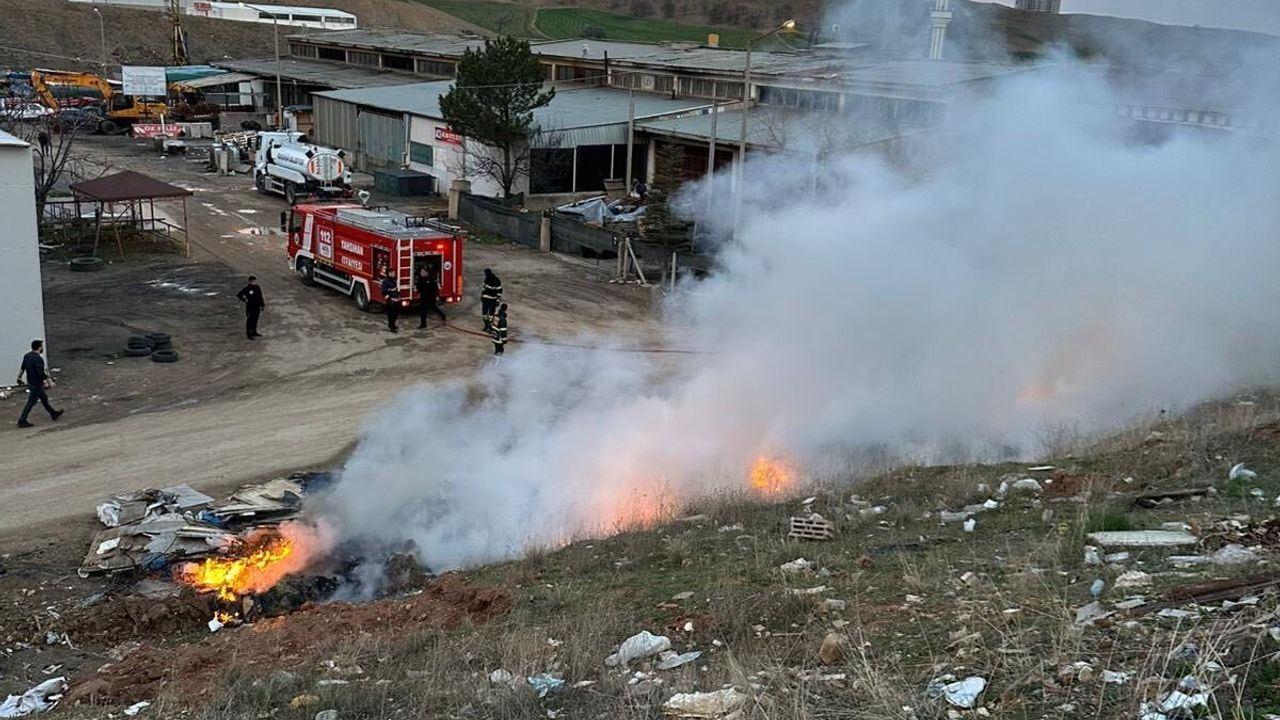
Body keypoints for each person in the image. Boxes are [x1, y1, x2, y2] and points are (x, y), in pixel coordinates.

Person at [16, 340, 62, 428]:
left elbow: (23, 368)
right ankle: (22, 420)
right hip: (36, 384)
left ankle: (53, 413)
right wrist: (49, 381)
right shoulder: (38, 359)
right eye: (42, 346)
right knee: (31, 402)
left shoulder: (27, 356)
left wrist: (19, 377)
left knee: (44, 398)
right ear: (39, 347)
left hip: (31, 382)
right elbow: (40, 373)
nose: (42, 348)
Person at [235, 275, 265, 340]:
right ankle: (249, 334)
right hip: (250, 307)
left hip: (257, 306)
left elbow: (260, 296)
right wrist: (245, 300)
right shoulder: (247, 288)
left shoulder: (257, 287)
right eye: (253, 281)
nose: (254, 282)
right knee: (250, 320)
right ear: (250, 281)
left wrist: (262, 305)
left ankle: (254, 332)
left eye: (255, 281)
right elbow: (239, 295)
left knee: (255, 319)